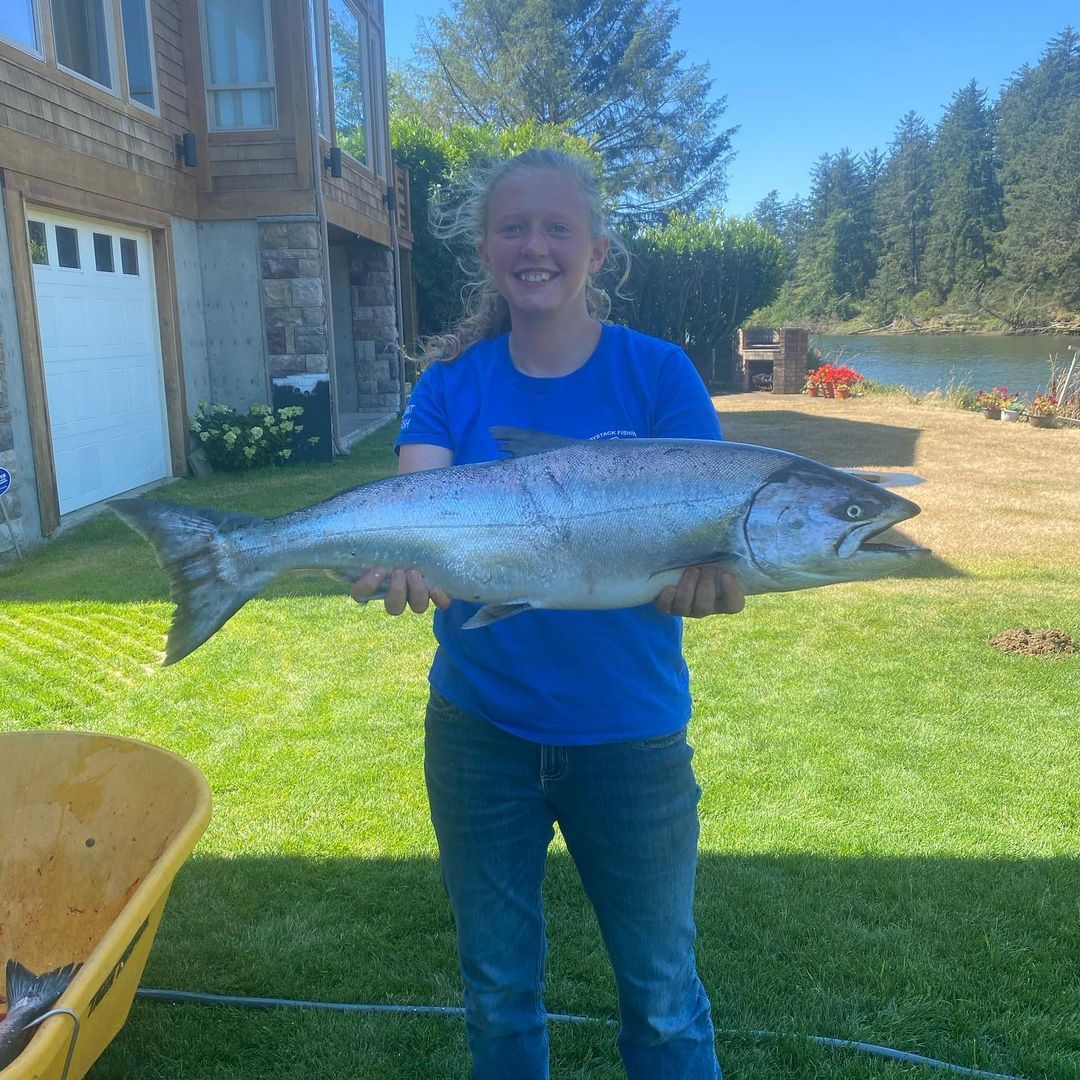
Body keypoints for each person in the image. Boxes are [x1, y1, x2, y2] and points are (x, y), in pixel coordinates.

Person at [352, 147, 744, 1079]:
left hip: (633, 741)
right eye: (513, 227)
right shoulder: (452, 382)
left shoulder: (659, 375)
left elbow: (710, 540)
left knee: (662, 997)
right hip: (478, 735)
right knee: (496, 991)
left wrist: (714, 580)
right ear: (485, 250)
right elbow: (419, 508)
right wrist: (404, 561)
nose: (536, 246)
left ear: (598, 250)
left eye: (558, 227)